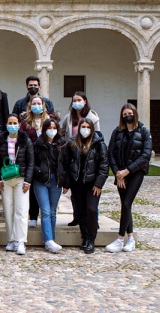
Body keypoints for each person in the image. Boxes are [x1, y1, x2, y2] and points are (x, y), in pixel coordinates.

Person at [105, 104, 152, 253]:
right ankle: (130, 239)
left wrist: (127, 171)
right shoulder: (117, 131)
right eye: (124, 114)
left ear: (135, 114)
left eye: (130, 113)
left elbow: (146, 155)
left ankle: (120, 239)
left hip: (135, 173)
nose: (127, 116)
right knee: (126, 206)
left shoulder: (143, 131)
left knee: (126, 204)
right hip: (120, 175)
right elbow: (110, 152)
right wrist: (118, 173)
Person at [61, 118, 109, 254]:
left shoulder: (99, 144)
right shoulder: (73, 143)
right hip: (77, 184)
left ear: (92, 128)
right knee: (81, 211)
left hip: (92, 184)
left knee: (92, 210)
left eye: (88, 126)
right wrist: (68, 182)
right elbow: (67, 162)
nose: (85, 129)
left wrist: (99, 184)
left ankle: (92, 239)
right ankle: (85, 238)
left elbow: (104, 166)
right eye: (83, 126)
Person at [0, 113, 34, 256]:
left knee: (21, 209)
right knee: (8, 209)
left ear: (19, 124)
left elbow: (31, 162)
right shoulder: (0, 140)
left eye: (15, 123)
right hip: (5, 179)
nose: (12, 126)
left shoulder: (25, 140)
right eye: (9, 123)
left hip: (21, 179)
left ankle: (21, 241)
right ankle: (11, 239)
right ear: (6, 125)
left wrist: (28, 180)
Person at [59, 92, 100, 226]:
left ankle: (94, 220)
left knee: (91, 192)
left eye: (79, 100)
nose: (76, 102)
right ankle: (77, 217)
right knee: (75, 190)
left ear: (85, 101)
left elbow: (98, 136)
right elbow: (63, 130)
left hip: (88, 155)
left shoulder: (92, 117)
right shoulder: (68, 117)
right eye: (74, 100)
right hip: (74, 154)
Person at [19, 95, 59, 228]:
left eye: (39, 103)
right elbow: (21, 137)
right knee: (33, 186)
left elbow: (58, 136)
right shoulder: (25, 122)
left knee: (46, 186)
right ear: (30, 106)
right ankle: (34, 216)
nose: (36, 105)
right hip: (31, 155)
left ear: (43, 105)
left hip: (47, 155)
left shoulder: (50, 119)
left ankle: (46, 217)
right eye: (34, 103)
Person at [33, 118, 66, 253]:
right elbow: (32, 162)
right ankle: (49, 240)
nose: (52, 130)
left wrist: (65, 183)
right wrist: (38, 171)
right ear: (44, 129)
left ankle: (50, 240)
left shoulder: (62, 144)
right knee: (45, 211)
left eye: (54, 128)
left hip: (56, 181)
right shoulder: (38, 144)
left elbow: (66, 164)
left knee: (53, 212)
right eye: (49, 128)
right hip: (41, 181)